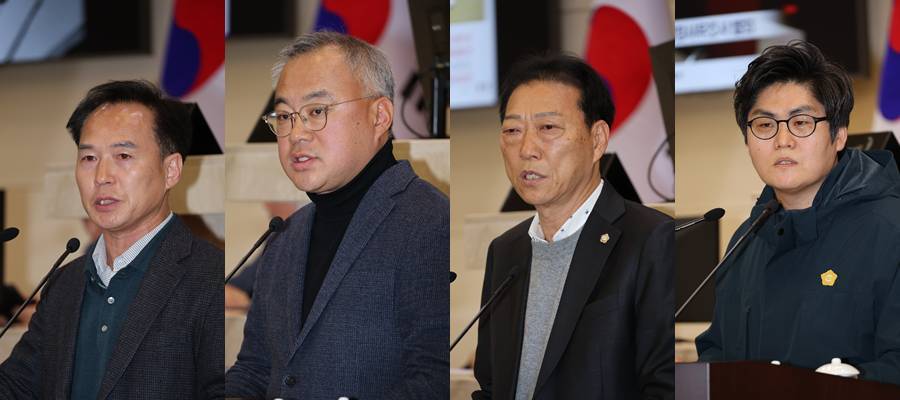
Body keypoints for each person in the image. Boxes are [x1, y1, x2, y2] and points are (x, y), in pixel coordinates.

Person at [225, 31, 449, 399]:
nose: (296, 133)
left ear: (380, 116)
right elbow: (255, 370)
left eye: (316, 111)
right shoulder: (285, 235)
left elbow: (433, 380)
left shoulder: (429, 222)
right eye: (285, 116)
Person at [0, 80, 224, 399]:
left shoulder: (210, 278)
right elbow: (18, 386)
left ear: (171, 170)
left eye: (123, 155)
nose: (102, 176)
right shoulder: (65, 282)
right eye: (89, 158)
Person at [695, 41, 900, 386]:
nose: (782, 140)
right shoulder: (745, 240)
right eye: (764, 125)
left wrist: (849, 383)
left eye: (801, 122)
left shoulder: (890, 229)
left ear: (839, 135)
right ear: (747, 140)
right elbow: (719, 349)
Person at [472, 54, 674, 399]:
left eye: (548, 128)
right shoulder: (505, 251)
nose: (526, 149)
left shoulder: (651, 239)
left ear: (597, 140)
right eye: (512, 131)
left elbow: (664, 386)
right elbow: (491, 385)